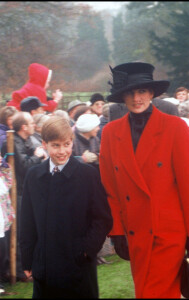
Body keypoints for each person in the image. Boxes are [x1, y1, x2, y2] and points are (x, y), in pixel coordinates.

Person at [99, 62, 189, 298]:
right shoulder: (110, 133)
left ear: (151, 93)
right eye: (130, 92)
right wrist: (117, 232)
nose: (136, 98)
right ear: (122, 96)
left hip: (168, 234)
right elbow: (110, 189)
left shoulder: (174, 127)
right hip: (135, 235)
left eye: (141, 91)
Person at [19, 116, 112, 298]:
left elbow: (102, 218)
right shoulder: (34, 176)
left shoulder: (88, 175)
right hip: (44, 266)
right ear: (44, 144)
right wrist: (28, 259)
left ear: (72, 142)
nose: (62, 151)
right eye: (56, 145)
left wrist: (87, 249)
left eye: (67, 144)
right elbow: (27, 221)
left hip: (78, 266)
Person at [1, 112, 47, 282]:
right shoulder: (11, 142)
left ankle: (30, 267)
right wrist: (37, 156)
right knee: (19, 232)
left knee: (30, 229)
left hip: (28, 191)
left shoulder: (29, 140)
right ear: (23, 127)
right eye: (31, 122)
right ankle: (19, 271)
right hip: (17, 193)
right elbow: (24, 167)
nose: (34, 125)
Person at [0, 154, 14, 294]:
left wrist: (3, 164)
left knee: (2, 251)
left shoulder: (2, 173)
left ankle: (1, 279)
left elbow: (9, 182)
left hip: (2, 217)